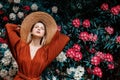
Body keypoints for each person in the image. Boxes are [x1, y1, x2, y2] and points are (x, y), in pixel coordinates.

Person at [5, 11, 70, 80]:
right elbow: (8, 27)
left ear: (44, 34)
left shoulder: (47, 52)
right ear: (31, 31)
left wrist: (52, 32)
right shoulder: (21, 46)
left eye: (42, 29)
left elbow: (63, 39)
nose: (39, 29)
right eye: (36, 27)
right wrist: (22, 29)